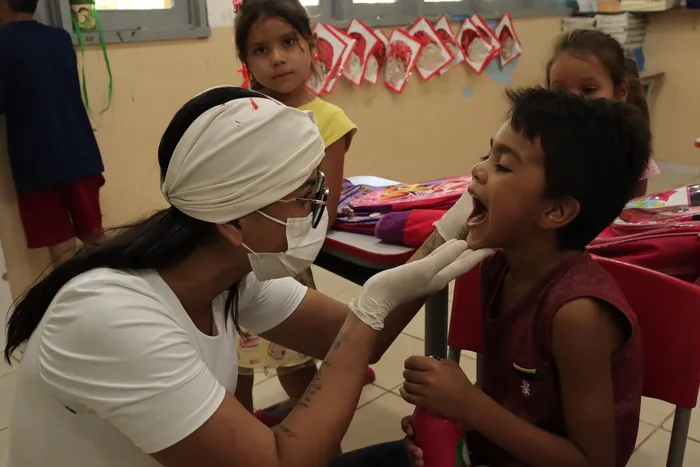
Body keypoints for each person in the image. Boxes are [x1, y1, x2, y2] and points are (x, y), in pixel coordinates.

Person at [3, 86, 491, 467]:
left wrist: (453, 222)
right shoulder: (111, 316)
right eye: (305, 195)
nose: (320, 206)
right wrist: (370, 310)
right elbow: (280, 461)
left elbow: (352, 337)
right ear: (233, 222)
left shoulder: (234, 271)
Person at [334, 87, 651, 467]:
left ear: (556, 212)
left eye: (502, 165)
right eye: (488, 155)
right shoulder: (499, 266)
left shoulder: (577, 314)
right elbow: (521, 395)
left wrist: (470, 406)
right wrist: (451, 422)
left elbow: (593, 462)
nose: (478, 169)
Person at [232, 0, 362, 424]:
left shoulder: (328, 120)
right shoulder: (241, 115)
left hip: (285, 267)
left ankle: (324, 450)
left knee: (298, 375)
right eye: (260, 49)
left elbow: (325, 209)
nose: (277, 58)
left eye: (288, 42)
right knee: (233, 380)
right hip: (232, 268)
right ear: (246, 61)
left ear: (311, 46)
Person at [0, 0, 105, 266]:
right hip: (79, 151)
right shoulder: (60, 38)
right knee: (95, 235)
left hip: (35, 162)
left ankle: (74, 300)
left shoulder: (3, 42)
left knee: (62, 245)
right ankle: (113, 289)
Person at [546, 29, 659, 198]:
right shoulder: (544, 145)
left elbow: (633, 213)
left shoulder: (632, 149)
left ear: (621, 91)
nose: (573, 100)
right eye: (560, 91)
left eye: (589, 90)